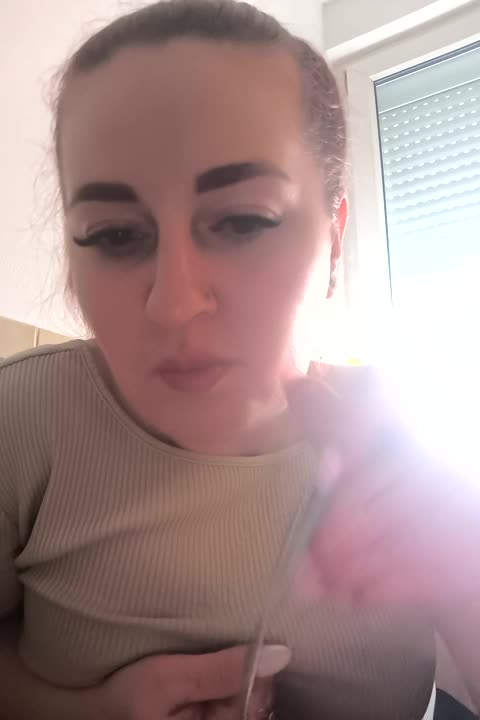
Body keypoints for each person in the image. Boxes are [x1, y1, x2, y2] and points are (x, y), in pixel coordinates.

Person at [0, 1, 478, 718]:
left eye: (244, 220)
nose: (173, 303)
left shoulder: (423, 448)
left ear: (335, 237)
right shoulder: (21, 421)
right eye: (114, 235)